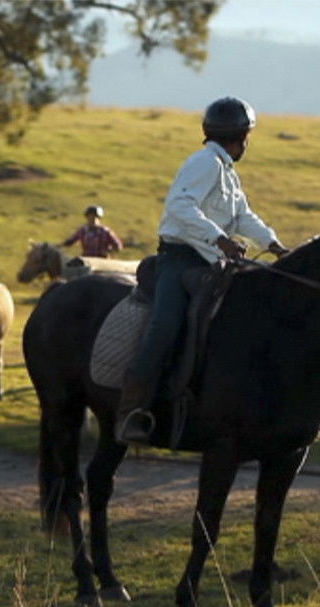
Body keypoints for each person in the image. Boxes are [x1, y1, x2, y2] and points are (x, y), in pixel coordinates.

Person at [115, 96, 290, 446]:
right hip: (180, 260)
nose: (248, 142)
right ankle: (131, 410)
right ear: (240, 135)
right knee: (165, 326)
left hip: (213, 261)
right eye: (247, 135)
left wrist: (272, 244)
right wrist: (220, 238)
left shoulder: (227, 171)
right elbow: (179, 205)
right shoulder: (205, 163)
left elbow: (242, 216)